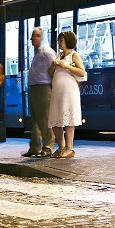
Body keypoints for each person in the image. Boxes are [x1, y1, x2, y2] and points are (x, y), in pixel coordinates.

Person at [48, 30, 86, 159]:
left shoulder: (74, 55)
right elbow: (50, 72)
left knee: (68, 119)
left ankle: (69, 148)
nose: (59, 42)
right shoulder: (59, 55)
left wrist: (66, 66)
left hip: (69, 91)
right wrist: (54, 64)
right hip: (57, 92)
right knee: (55, 119)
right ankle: (61, 146)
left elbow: (82, 72)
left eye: (61, 40)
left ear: (68, 41)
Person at [22, 27, 56, 158]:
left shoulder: (47, 52)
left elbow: (54, 70)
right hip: (34, 87)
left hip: (43, 88)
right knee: (35, 119)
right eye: (32, 36)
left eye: (36, 36)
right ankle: (35, 147)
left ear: (42, 38)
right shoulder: (37, 53)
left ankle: (48, 147)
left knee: (44, 118)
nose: (32, 38)